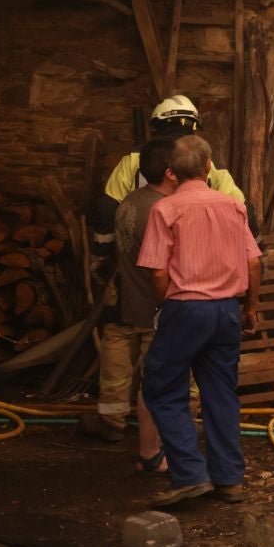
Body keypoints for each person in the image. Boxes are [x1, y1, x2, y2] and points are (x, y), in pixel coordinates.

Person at [136, 133, 262, 507]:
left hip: (186, 307)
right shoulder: (233, 207)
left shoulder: (166, 210)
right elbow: (253, 262)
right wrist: (250, 308)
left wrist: (164, 306)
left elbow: (158, 273)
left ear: (171, 172)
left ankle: (190, 474)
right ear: (209, 167)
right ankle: (228, 479)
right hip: (226, 309)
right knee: (221, 392)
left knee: (161, 386)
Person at [79, 138, 180, 472]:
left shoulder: (128, 202)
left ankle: (112, 420)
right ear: (169, 172)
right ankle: (159, 439)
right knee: (158, 373)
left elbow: (112, 249)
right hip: (154, 303)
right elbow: (165, 265)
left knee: (117, 352)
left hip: (123, 297)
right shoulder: (164, 210)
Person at [92, 95, 247, 252]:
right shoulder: (208, 164)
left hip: (142, 250)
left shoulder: (133, 160)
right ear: (193, 129)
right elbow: (242, 208)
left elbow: (107, 206)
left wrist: (103, 253)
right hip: (196, 247)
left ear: (156, 128)